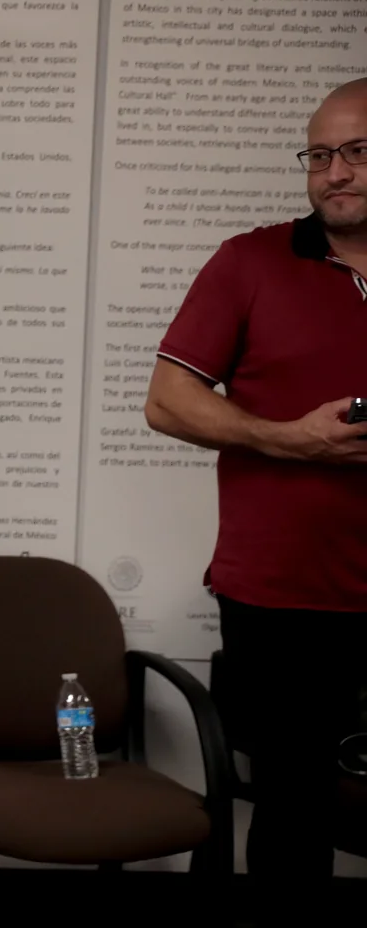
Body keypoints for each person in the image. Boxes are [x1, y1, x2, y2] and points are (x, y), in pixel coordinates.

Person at [144, 77, 367, 925]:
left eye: (356, 152)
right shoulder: (251, 260)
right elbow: (167, 401)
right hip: (282, 597)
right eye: (319, 155)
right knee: (294, 816)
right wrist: (290, 438)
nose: (333, 173)